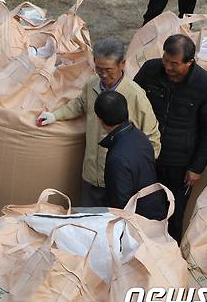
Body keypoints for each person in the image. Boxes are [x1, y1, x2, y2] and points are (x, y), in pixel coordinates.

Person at [37, 38, 161, 207]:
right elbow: (80, 104)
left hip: (119, 179)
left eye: (108, 70)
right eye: (99, 69)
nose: (103, 75)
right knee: (88, 220)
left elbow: (152, 138)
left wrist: (140, 171)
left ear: (122, 64)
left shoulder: (135, 95)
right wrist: (55, 115)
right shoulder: (92, 84)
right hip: (91, 174)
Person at [134, 34, 207, 242]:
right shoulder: (150, 70)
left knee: (173, 214)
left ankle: (170, 257)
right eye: (165, 60)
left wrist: (197, 168)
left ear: (190, 62)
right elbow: (132, 102)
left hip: (180, 165)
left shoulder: (205, 85)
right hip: (147, 157)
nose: (168, 67)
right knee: (141, 208)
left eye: (174, 64)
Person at [94, 91, 165, 220]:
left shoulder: (117, 157)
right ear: (126, 111)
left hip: (137, 220)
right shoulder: (140, 137)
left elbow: (120, 204)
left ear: (100, 120)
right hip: (154, 209)